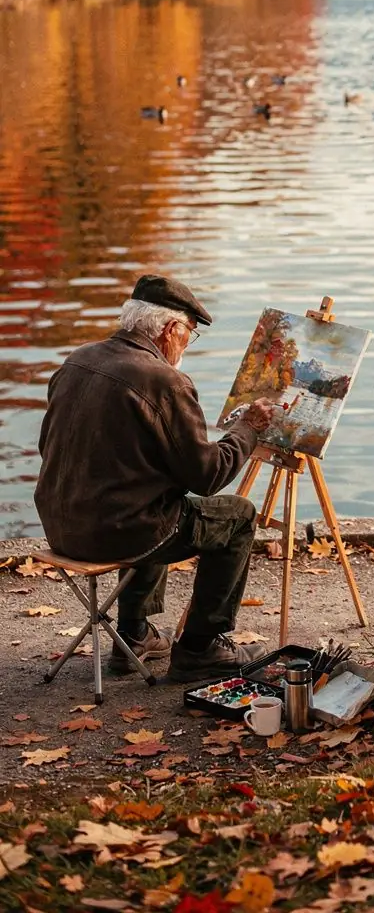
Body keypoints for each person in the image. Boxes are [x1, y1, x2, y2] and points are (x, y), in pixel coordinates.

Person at [35, 273, 275, 681]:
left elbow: (48, 447)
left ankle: (134, 634)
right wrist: (248, 427)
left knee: (156, 500)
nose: (185, 346)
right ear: (170, 329)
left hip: (60, 527)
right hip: (118, 532)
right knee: (237, 517)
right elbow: (209, 476)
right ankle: (200, 648)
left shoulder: (78, 359)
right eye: (189, 336)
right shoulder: (165, 381)